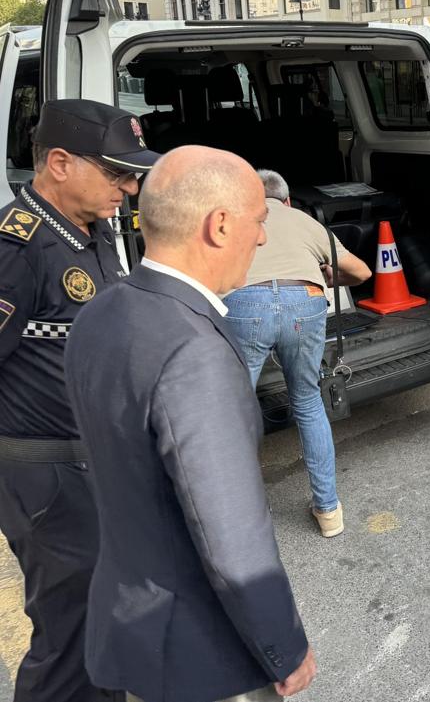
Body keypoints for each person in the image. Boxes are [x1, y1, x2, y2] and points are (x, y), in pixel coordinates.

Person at [64, 146, 316, 701]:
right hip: (197, 653)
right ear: (220, 225)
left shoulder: (99, 312)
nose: (263, 238)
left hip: (131, 621)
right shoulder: (193, 349)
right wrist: (285, 646)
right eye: (260, 221)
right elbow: (231, 534)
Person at [0, 99, 160, 702]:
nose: (131, 184)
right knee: (71, 637)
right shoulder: (17, 247)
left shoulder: (88, 233)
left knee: (105, 621)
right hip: (49, 476)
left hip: (90, 463)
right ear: (60, 163)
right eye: (117, 171)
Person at [225, 169, 371, 538]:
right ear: (287, 200)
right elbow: (362, 272)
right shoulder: (305, 221)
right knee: (307, 400)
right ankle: (328, 513)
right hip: (304, 301)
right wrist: (329, 277)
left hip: (245, 305)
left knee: (233, 411)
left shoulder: (235, 219)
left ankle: (233, 518)